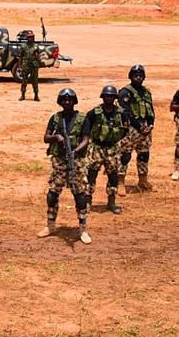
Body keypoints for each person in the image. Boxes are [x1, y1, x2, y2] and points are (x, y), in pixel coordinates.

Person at [38, 88, 92, 243]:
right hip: (59, 161)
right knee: (53, 193)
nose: (67, 102)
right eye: (64, 100)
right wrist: (56, 137)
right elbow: (46, 138)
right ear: (60, 102)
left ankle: (82, 229)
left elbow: (86, 139)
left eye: (70, 100)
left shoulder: (82, 118)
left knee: (80, 195)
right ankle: (50, 225)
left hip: (77, 161)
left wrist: (75, 151)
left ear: (74, 101)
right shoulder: (56, 118)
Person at [81, 85, 126, 214]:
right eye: (106, 96)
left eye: (111, 96)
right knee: (91, 175)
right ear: (103, 97)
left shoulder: (120, 113)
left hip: (112, 148)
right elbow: (86, 129)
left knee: (113, 176)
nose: (109, 98)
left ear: (115, 98)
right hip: (96, 147)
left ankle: (111, 202)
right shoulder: (94, 113)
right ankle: (88, 201)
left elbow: (125, 129)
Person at [118, 64, 154, 192]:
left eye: (140, 75)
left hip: (145, 129)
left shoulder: (146, 92)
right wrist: (139, 127)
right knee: (125, 155)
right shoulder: (125, 92)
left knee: (144, 154)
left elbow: (151, 110)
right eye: (135, 75)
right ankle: (120, 182)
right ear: (131, 77)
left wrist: (150, 125)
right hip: (131, 129)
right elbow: (125, 113)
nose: (138, 78)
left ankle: (143, 180)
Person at [17, 34, 40, 101]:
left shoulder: (36, 46)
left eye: (32, 37)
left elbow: (38, 56)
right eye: (29, 37)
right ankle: (22, 95)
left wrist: (36, 56)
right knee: (24, 81)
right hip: (25, 65)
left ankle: (36, 95)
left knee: (35, 81)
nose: (30, 39)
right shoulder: (23, 46)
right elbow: (20, 57)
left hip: (34, 65)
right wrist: (19, 67)